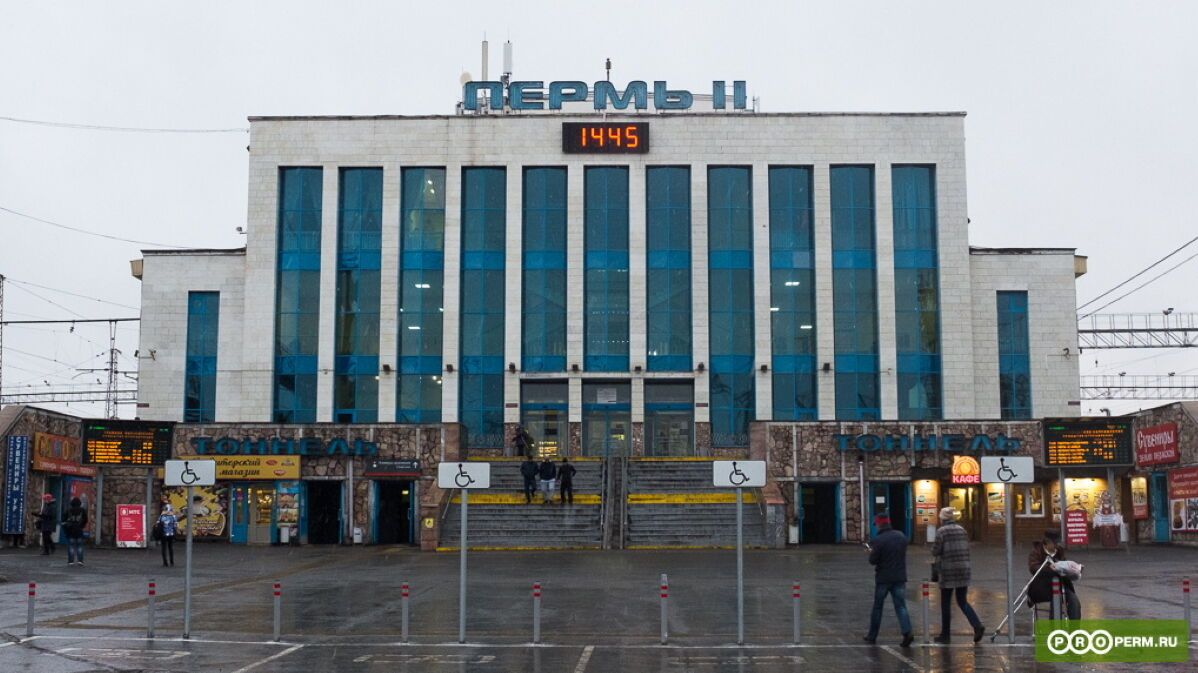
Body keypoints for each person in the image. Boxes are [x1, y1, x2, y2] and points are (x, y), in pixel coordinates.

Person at [931, 507, 984, 643]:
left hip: (948, 570)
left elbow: (935, 551)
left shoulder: (941, 531)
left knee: (946, 603)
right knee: (962, 601)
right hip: (963, 569)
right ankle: (977, 625)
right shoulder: (962, 530)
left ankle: (945, 634)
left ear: (943, 519)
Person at [865, 512, 914, 648]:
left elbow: (873, 561)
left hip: (884, 577)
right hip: (899, 576)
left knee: (878, 607)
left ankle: (872, 635)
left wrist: (871, 552)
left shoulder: (878, 540)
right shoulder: (901, 536)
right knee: (901, 606)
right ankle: (907, 631)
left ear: (879, 524)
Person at [1027, 529, 1082, 620]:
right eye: (1055, 543)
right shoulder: (1036, 552)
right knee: (1057, 599)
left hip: (1060, 585)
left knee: (1074, 601)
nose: (1057, 545)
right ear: (1047, 542)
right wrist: (1049, 568)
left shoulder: (1059, 551)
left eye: (1058, 543)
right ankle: (1054, 627)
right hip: (1042, 587)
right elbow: (1033, 568)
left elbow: (1064, 565)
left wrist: (1073, 570)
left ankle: (1074, 627)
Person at [61, 498, 88, 567]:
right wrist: (81, 526)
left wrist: (66, 528)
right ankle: (80, 561)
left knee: (71, 546)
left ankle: (71, 561)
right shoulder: (82, 510)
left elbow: (63, 521)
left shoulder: (68, 510)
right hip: (79, 531)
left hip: (71, 531)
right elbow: (85, 520)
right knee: (80, 546)